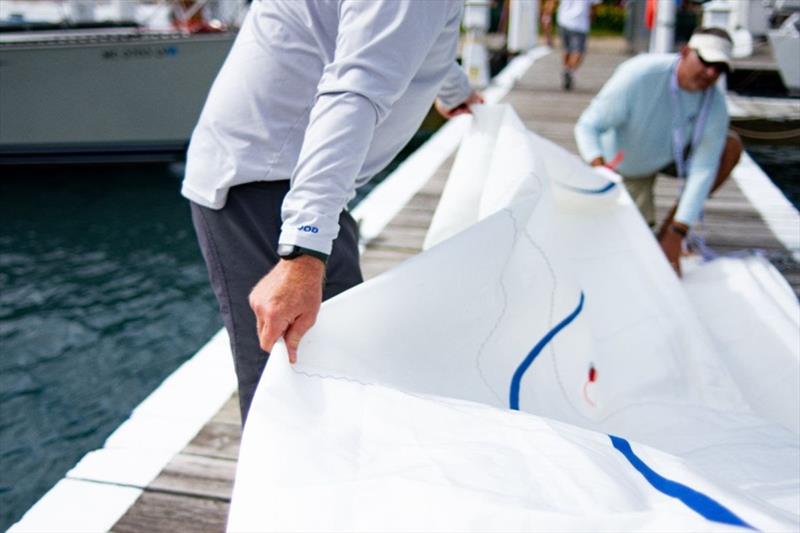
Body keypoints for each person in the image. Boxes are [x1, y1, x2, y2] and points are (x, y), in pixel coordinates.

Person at [182, 0, 482, 423]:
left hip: (290, 177)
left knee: (332, 379)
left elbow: (402, 33)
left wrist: (453, 89)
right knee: (297, 394)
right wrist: (303, 249)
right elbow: (355, 90)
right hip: (265, 180)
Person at [574, 27, 743, 276]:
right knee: (628, 248)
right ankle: (652, 227)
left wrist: (678, 232)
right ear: (685, 51)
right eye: (706, 61)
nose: (711, 73)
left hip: (670, 157)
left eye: (720, 69)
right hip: (624, 170)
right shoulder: (640, 73)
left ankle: (671, 230)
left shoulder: (715, 101)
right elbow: (588, 126)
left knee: (730, 146)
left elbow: (704, 167)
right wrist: (600, 171)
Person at [556, 0, 601, 90]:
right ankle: (569, 71)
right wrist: (593, 18)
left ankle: (566, 68)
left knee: (566, 49)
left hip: (563, 20)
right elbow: (594, 7)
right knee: (578, 51)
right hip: (579, 23)